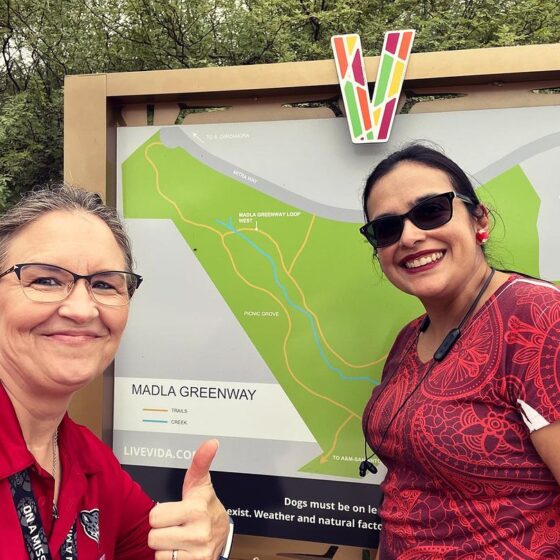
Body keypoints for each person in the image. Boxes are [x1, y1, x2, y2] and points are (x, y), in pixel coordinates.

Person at [0, 184, 233, 559]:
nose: (82, 310)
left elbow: (163, 552)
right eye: (45, 279)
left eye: (104, 284)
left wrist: (212, 535)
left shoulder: (92, 465)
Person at [359, 144, 560, 559]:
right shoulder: (408, 339)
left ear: (479, 220)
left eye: (431, 211)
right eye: (388, 228)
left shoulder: (540, 319)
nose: (410, 237)